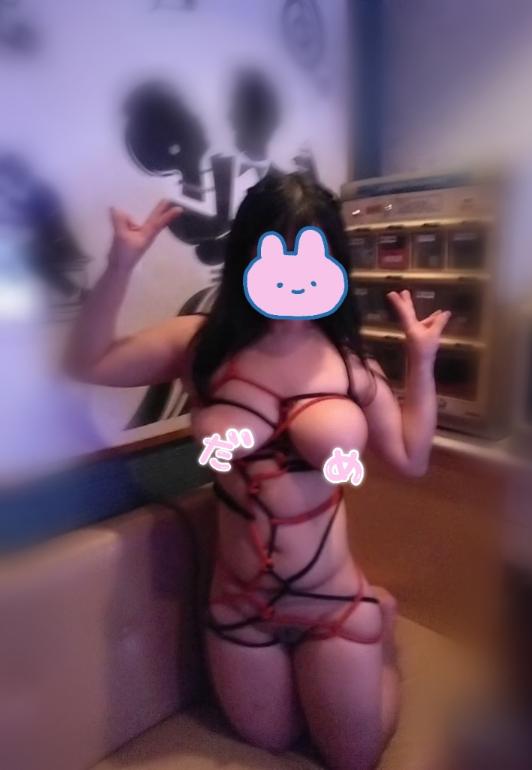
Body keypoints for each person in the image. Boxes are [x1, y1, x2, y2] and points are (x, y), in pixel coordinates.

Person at [65, 173, 450, 770]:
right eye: (278, 254)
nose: (294, 276)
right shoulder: (202, 346)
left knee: (353, 758)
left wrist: (421, 362)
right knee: (269, 739)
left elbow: (410, 458)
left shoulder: (350, 366)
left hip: (330, 603)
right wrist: (120, 266)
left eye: (311, 256)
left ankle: (380, 626)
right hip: (238, 606)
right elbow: (89, 363)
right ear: (248, 256)